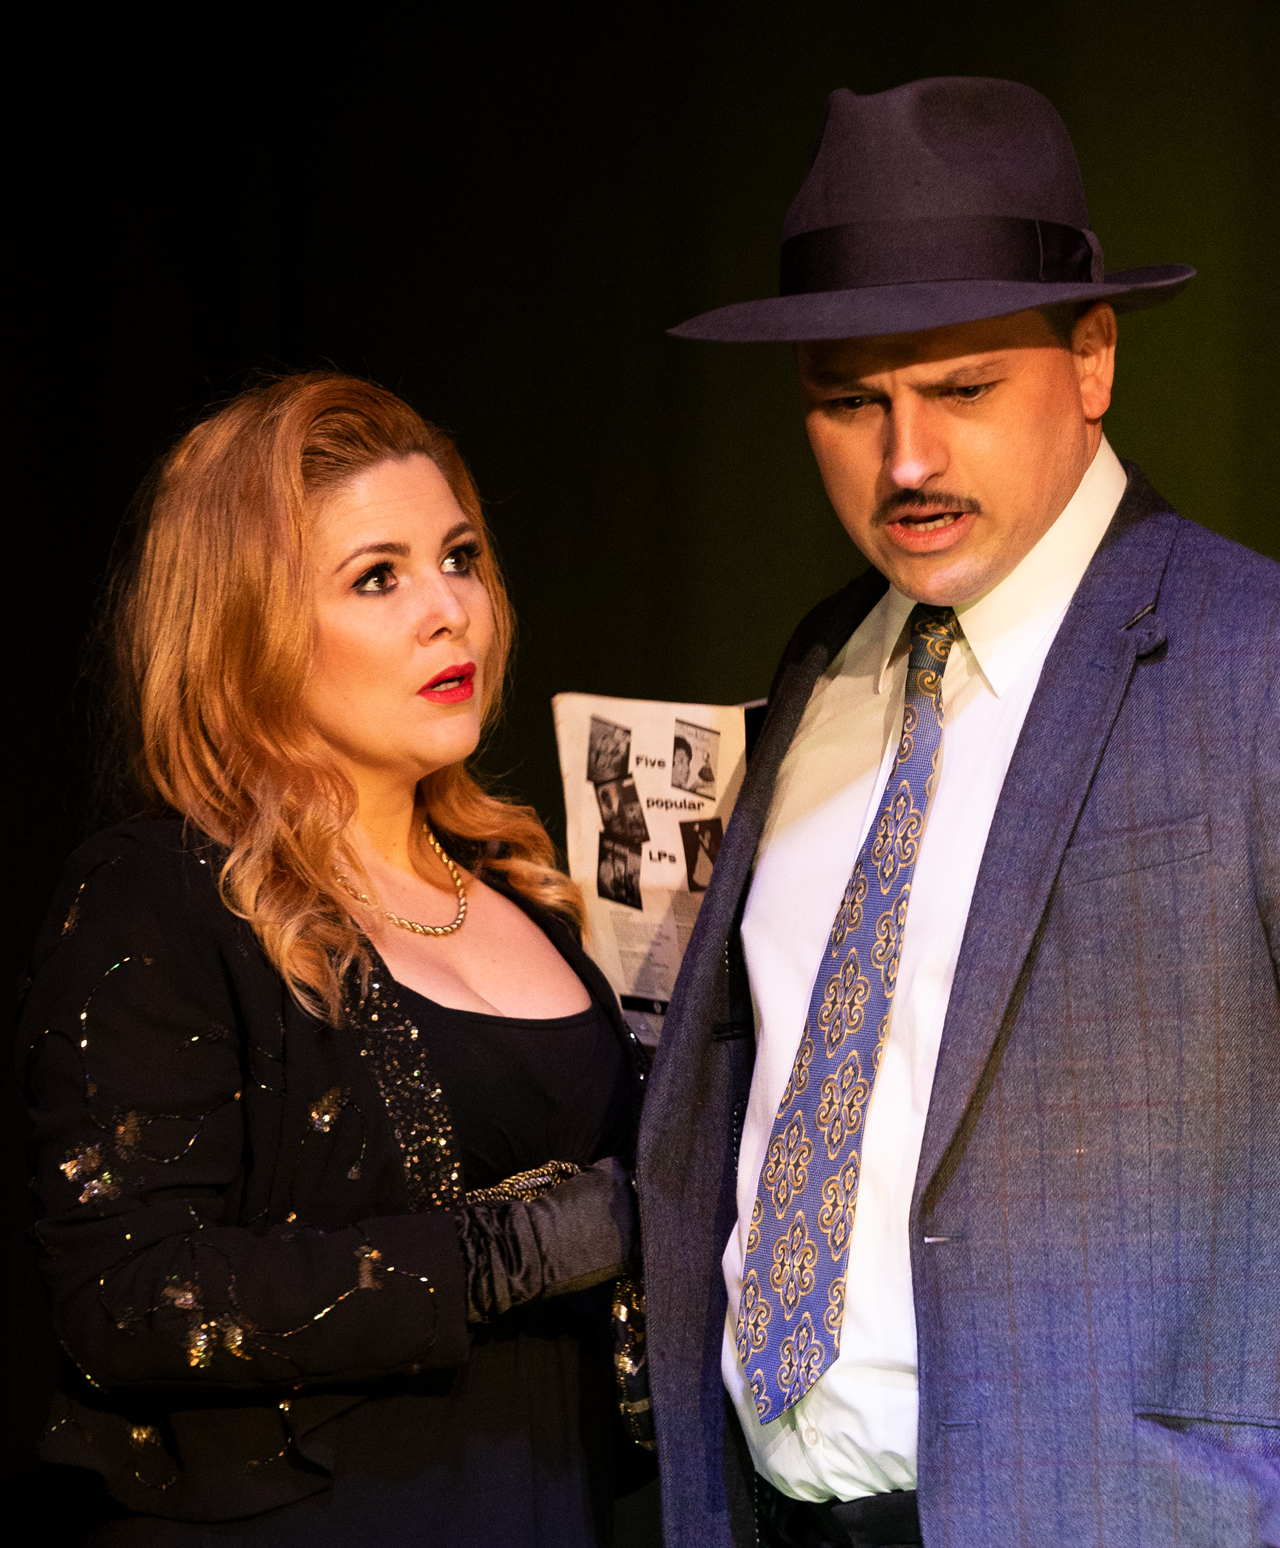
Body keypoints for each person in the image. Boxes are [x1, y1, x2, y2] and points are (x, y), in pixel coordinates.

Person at [637, 78, 1280, 1548]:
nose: (907, 459)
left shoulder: (1251, 659)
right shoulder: (823, 667)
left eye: (963, 390)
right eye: (849, 402)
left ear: (1093, 358)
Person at [19, 372, 653, 1547]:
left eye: (459, 558)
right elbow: (128, 1296)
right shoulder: (162, 893)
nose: (448, 610)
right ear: (245, 629)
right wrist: (505, 1252)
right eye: (377, 576)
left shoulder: (527, 895)